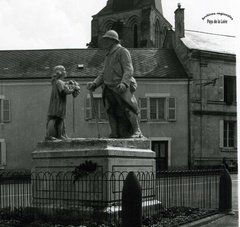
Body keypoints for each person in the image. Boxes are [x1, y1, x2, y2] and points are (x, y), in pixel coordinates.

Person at [87, 30, 142, 138]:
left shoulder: (122, 51)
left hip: (120, 86)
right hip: (108, 87)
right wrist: (95, 84)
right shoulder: (108, 55)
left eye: (106, 39)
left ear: (112, 40)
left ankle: (137, 131)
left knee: (129, 108)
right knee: (110, 111)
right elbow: (103, 73)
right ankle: (114, 132)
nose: (104, 42)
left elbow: (128, 69)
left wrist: (124, 83)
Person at [45, 65, 80, 141]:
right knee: (59, 119)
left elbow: (64, 85)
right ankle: (57, 135)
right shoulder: (59, 82)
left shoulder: (56, 82)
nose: (65, 71)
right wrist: (74, 88)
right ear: (60, 73)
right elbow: (65, 91)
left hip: (55, 103)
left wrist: (69, 83)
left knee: (58, 119)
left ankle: (59, 134)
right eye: (64, 70)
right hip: (58, 103)